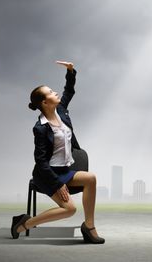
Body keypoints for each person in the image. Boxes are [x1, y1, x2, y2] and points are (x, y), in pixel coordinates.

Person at [11, 60, 105, 244]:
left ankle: (89, 227)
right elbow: (41, 162)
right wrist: (58, 184)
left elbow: (69, 91)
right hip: (47, 175)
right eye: (51, 92)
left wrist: (70, 71)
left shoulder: (61, 111)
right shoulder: (40, 128)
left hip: (64, 171)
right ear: (45, 102)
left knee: (91, 178)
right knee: (70, 209)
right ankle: (23, 224)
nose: (55, 92)